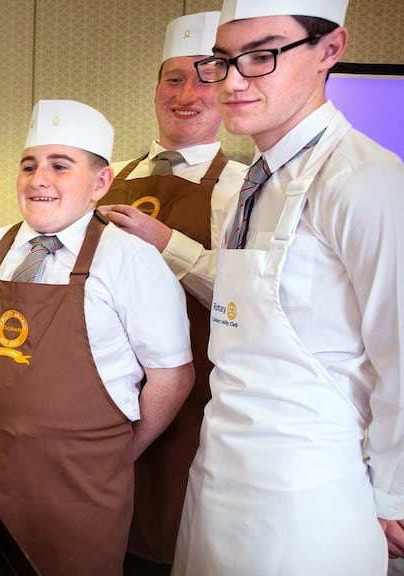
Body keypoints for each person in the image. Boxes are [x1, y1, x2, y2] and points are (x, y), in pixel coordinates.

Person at [172, 0, 404, 574]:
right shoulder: (247, 183)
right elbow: (240, 307)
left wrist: (395, 495)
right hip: (218, 472)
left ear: (329, 50)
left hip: (311, 492)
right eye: (222, 60)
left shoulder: (367, 182)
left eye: (262, 56)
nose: (233, 81)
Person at [0, 99, 195, 576]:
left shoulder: (130, 259)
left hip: (84, 486)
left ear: (100, 183)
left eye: (60, 166)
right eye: (29, 165)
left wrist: (117, 454)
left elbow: (172, 377)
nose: (39, 179)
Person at [95, 12, 247, 575]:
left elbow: (241, 301)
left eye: (204, 77)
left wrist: (165, 242)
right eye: (173, 78)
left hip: (191, 404)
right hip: (101, 394)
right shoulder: (105, 174)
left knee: (162, 544)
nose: (187, 93)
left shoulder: (240, 185)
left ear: (227, 87)